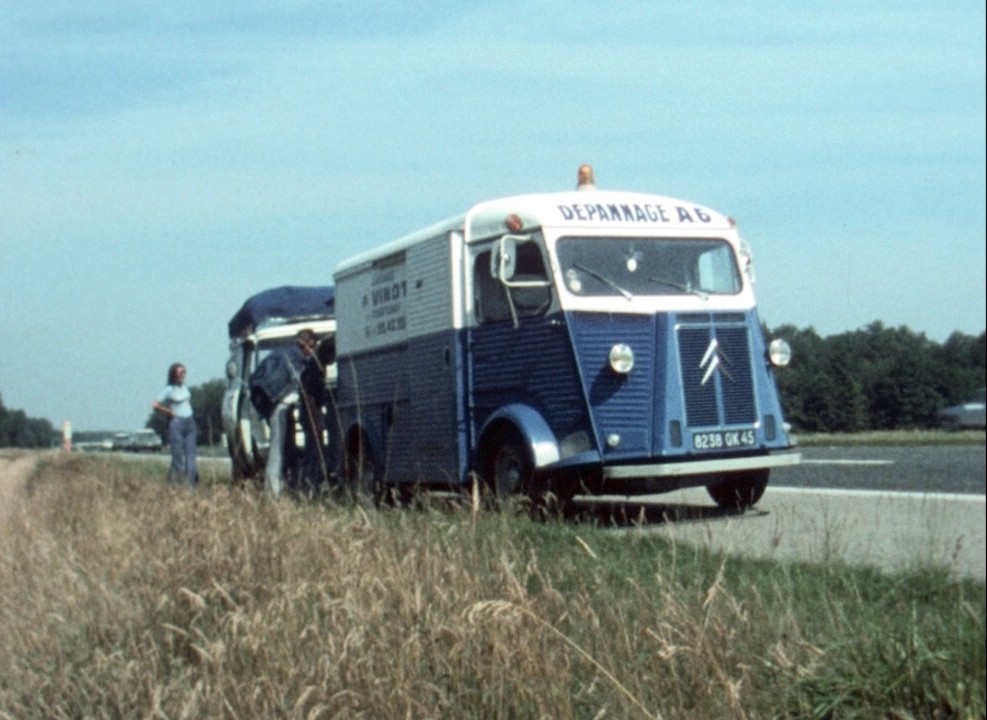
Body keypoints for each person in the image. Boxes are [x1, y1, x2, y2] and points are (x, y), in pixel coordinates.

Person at [249, 337, 306, 497]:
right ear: (307, 345)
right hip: (282, 408)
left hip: (275, 407)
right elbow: (294, 383)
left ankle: (282, 487)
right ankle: (273, 492)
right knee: (278, 451)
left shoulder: (279, 354)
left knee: (281, 449)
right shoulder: (294, 358)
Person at [296, 330, 338, 492]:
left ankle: (309, 484)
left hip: (310, 412)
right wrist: (317, 421)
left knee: (312, 451)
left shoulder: (312, 363)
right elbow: (310, 395)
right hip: (311, 413)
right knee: (314, 451)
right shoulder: (315, 366)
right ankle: (310, 485)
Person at [152, 362, 198, 486]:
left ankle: (191, 487)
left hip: (190, 423)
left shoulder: (185, 387)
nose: (183, 375)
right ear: (173, 376)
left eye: (184, 372)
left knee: (191, 458)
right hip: (177, 424)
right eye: (180, 373)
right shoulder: (169, 389)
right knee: (177, 457)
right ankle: (174, 483)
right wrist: (168, 411)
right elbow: (155, 404)